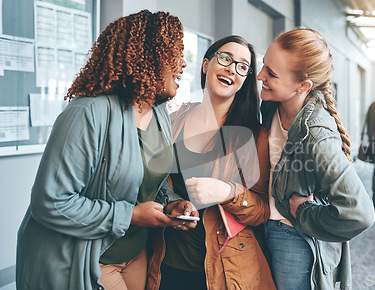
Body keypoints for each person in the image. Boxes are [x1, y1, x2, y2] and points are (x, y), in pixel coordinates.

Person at [16, 10, 199, 290]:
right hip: (91, 257)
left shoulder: (159, 113)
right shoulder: (88, 112)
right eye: (173, 54)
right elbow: (51, 202)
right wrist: (130, 215)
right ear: (147, 56)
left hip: (135, 252)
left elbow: (147, 178)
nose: (182, 64)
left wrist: (171, 201)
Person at [258, 28, 375, 290]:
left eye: (271, 74)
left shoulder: (317, 135)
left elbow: (360, 213)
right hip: (265, 224)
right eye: (263, 65)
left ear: (304, 86)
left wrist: (305, 212)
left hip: (293, 238)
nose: (260, 76)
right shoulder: (271, 105)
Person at [159, 35, 275, 290]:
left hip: (221, 270)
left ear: (245, 79)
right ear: (205, 65)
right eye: (225, 58)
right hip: (163, 262)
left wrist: (228, 192)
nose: (231, 69)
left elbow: (262, 210)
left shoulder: (253, 136)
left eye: (242, 66)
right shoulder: (172, 120)